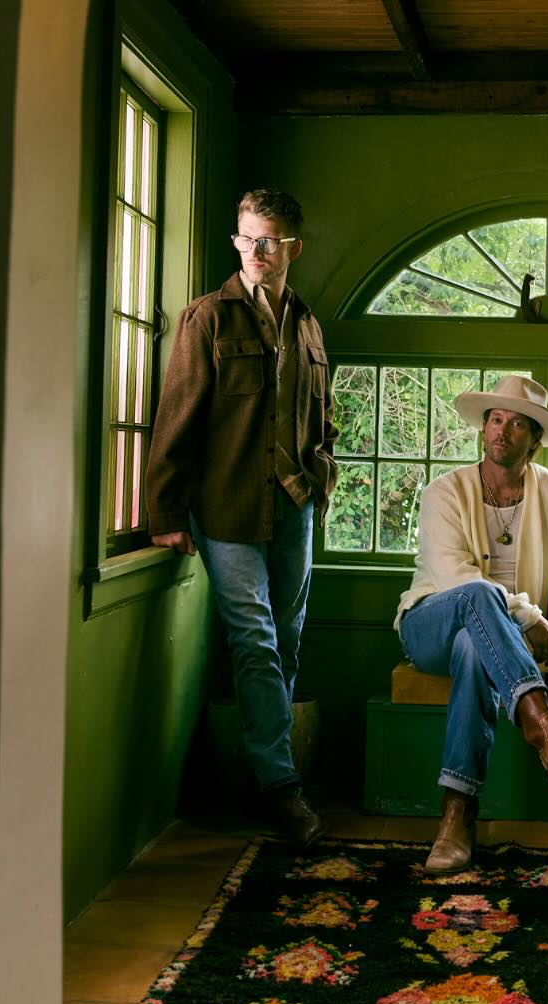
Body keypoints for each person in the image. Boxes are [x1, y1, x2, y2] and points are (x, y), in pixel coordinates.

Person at [145, 189, 334, 850]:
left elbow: (323, 422)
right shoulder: (207, 318)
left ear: (292, 248)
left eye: (270, 239)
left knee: (287, 640)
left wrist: (320, 480)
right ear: (236, 241)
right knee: (254, 639)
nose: (257, 250)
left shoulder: (308, 325)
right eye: (247, 237)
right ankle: (281, 787)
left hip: (294, 505)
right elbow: (176, 416)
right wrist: (166, 511)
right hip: (226, 508)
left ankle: (266, 773)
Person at [395, 375, 548, 874]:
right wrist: (531, 617)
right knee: (478, 595)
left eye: (516, 424)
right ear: (483, 428)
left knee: (476, 648)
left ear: (535, 440)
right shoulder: (444, 492)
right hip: (429, 624)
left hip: (490, 642)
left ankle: (456, 816)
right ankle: (545, 726)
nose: (501, 430)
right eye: (494, 419)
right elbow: (456, 578)